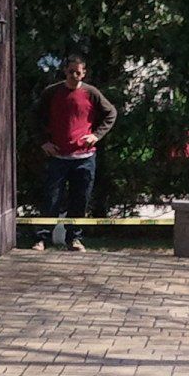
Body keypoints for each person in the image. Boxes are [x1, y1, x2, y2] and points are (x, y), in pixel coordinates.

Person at [32, 54, 118, 251]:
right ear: (65, 71)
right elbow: (35, 117)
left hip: (84, 158)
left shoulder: (91, 93)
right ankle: (42, 239)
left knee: (80, 199)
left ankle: (74, 239)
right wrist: (43, 142)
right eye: (70, 72)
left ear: (84, 73)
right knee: (51, 199)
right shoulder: (52, 92)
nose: (74, 76)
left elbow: (111, 113)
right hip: (58, 157)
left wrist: (96, 135)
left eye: (78, 73)